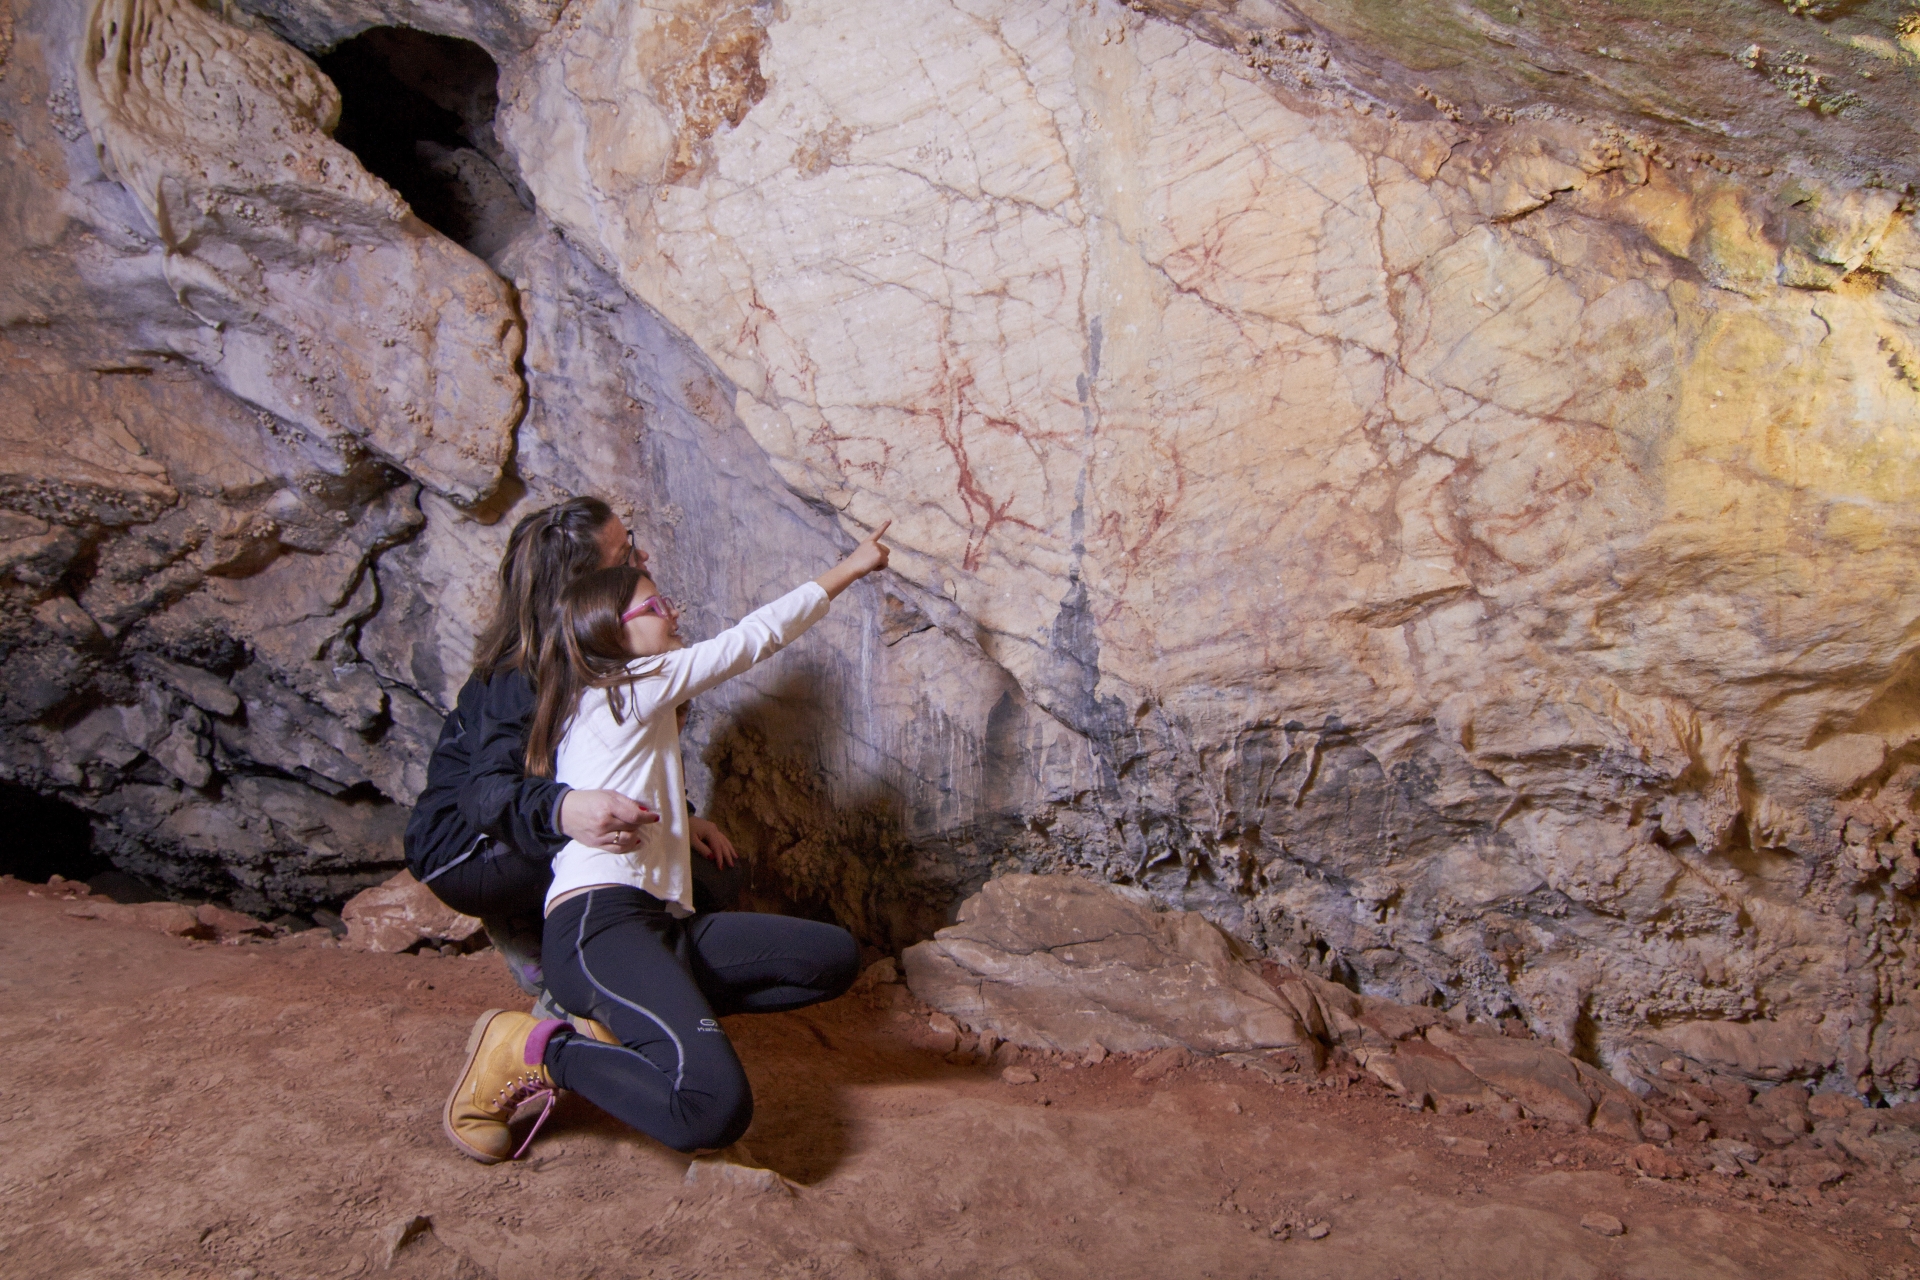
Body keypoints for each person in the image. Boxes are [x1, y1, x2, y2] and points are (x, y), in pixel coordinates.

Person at [441, 523, 891, 1162]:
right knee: (710, 1112)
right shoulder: (630, 682)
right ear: (610, 631)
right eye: (652, 606)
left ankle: (624, 1018)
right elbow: (756, 637)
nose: (670, 610)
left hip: (661, 925)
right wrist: (851, 567)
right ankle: (537, 1049)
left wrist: (684, 820)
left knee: (830, 956)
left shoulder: (605, 703)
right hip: (601, 927)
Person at [403, 497, 739, 1011]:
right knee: (642, 872)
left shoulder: (600, 652)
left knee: (719, 875)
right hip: (468, 847)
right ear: (584, 585)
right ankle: (564, 1002)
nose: (644, 557)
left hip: (537, 812)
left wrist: (680, 817)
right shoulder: (523, 675)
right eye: (626, 556)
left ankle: (563, 941)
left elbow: (624, 755)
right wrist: (565, 811)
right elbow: (483, 795)